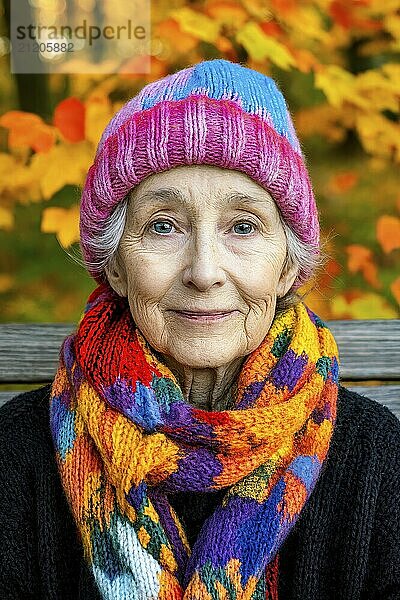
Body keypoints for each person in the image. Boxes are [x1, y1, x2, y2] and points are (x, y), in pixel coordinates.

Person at [0, 59, 399, 600]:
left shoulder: (379, 459)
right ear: (114, 264)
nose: (205, 272)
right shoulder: (16, 456)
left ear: (286, 266)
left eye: (243, 226)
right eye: (163, 226)